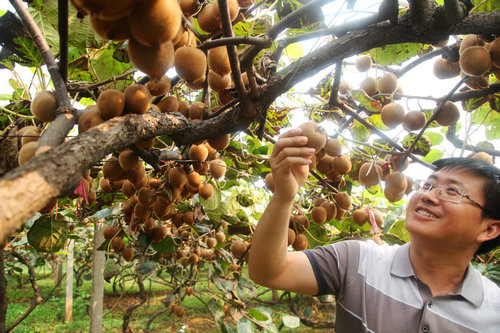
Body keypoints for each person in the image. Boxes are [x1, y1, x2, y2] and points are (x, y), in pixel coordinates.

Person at [248, 127, 500, 332]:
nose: (428, 196)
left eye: (452, 191)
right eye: (427, 185)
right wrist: (284, 196)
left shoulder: (495, 312)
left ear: (489, 229)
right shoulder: (357, 260)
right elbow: (269, 273)